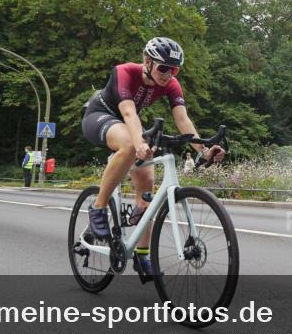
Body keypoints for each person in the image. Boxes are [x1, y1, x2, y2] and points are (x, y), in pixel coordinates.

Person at [81, 37, 225, 274]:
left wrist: (204, 151)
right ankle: (98, 206)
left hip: (130, 123)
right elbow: (128, 113)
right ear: (147, 61)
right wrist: (138, 143)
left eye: (174, 69)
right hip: (100, 115)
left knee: (147, 186)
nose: (169, 74)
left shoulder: (171, 84)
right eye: (164, 67)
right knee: (130, 145)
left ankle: (142, 255)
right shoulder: (125, 72)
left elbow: (182, 120)